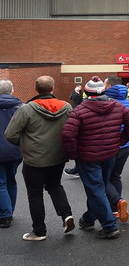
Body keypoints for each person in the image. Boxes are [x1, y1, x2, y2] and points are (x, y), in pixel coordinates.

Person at [60, 76, 129, 239]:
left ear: (87, 93)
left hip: (88, 156)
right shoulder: (116, 106)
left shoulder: (79, 111)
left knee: (95, 189)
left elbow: (68, 134)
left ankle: (109, 225)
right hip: (110, 154)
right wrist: (121, 140)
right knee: (98, 188)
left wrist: (73, 154)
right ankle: (88, 219)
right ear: (104, 91)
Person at [4, 76, 74, 240]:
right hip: (58, 156)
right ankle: (66, 215)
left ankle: (39, 231)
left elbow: (10, 134)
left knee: (35, 194)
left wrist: (24, 145)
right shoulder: (67, 107)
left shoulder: (27, 109)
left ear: (36, 89)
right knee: (55, 186)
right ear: (53, 88)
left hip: (34, 159)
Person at [103, 75, 129, 223]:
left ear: (109, 87)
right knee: (116, 176)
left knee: (104, 179)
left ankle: (117, 202)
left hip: (110, 146)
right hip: (125, 146)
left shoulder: (108, 104)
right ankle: (116, 209)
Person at [0, 80, 23, 229]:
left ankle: (5, 214)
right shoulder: (21, 107)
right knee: (11, 180)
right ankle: (10, 210)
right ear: (12, 90)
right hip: (16, 149)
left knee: (0, 182)